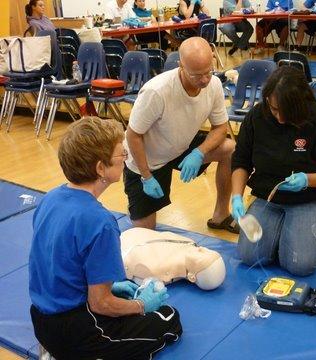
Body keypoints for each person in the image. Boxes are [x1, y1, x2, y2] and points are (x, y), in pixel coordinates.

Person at [29, 117, 182, 359]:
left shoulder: (50, 198)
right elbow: (101, 304)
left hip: (40, 320)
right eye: (121, 154)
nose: (125, 158)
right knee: (169, 318)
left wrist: (111, 287)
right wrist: (141, 306)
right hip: (75, 331)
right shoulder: (100, 222)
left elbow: (56, 262)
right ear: (101, 168)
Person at [231, 66, 316, 276]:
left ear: (302, 103)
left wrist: (308, 180)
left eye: (286, 112)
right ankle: (281, 233)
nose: (280, 118)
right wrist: (236, 197)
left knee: (300, 265)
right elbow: (241, 160)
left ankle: (291, 233)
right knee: (249, 256)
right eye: (274, 109)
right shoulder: (257, 116)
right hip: (267, 197)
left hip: (307, 199)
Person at [124, 37, 237, 233]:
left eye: (208, 72)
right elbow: (133, 136)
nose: (204, 80)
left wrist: (199, 153)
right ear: (181, 66)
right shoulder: (156, 91)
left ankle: (221, 215)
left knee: (230, 149)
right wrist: (146, 176)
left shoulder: (214, 84)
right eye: (196, 75)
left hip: (181, 146)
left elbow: (220, 128)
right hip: (147, 159)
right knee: (143, 235)